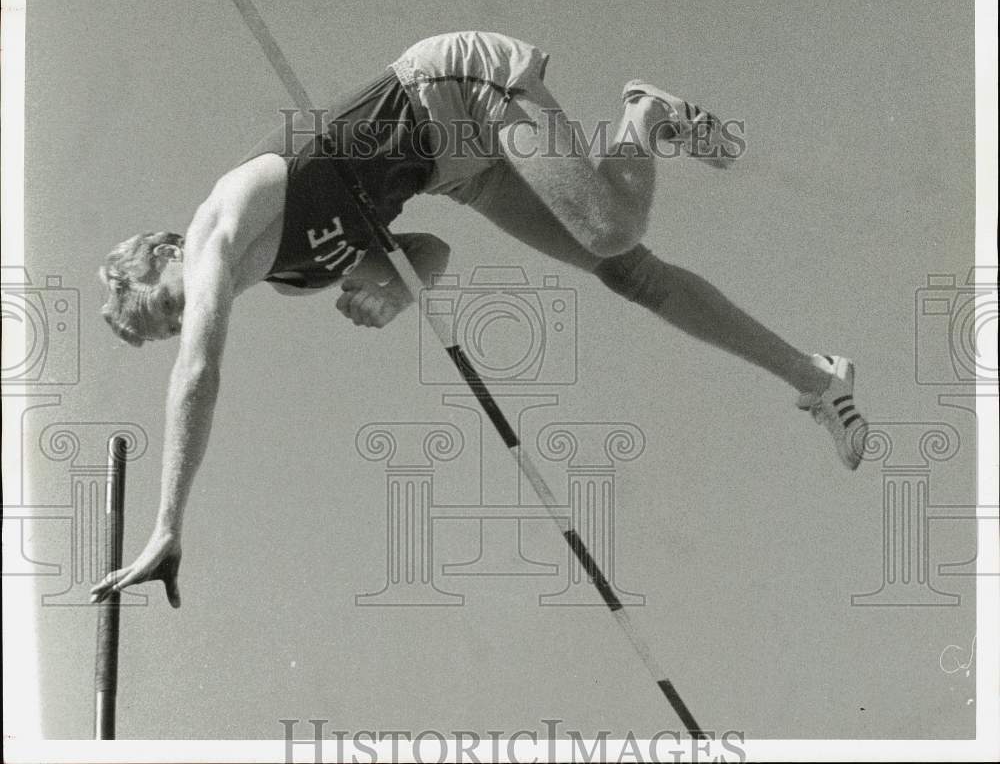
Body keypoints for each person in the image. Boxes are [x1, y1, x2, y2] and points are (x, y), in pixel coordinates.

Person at [90, 31, 868, 608]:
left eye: (168, 303)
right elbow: (428, 251)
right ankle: (817, 378)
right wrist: (402, 290)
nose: (184, 315)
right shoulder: (293, 278)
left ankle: (644, 115)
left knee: (609, 231)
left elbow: (199, 372)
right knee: (629, 273)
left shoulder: (222, 218)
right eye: (169, 324)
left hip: (453, 92)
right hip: (455, 174)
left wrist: (168, 522)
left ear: (166, 249)